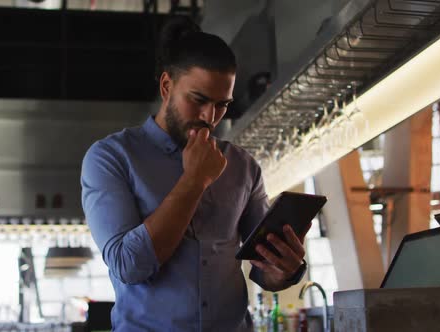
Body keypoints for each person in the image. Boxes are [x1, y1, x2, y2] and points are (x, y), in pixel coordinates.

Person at [81, 17, 308, 332]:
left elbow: (265, 272)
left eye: (221, 105)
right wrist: (194, 180)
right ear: (166, 86)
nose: (209, 117)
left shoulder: (243, 166)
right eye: (198, 100)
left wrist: (286, 268)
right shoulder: (111, 158)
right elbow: (128, 266)